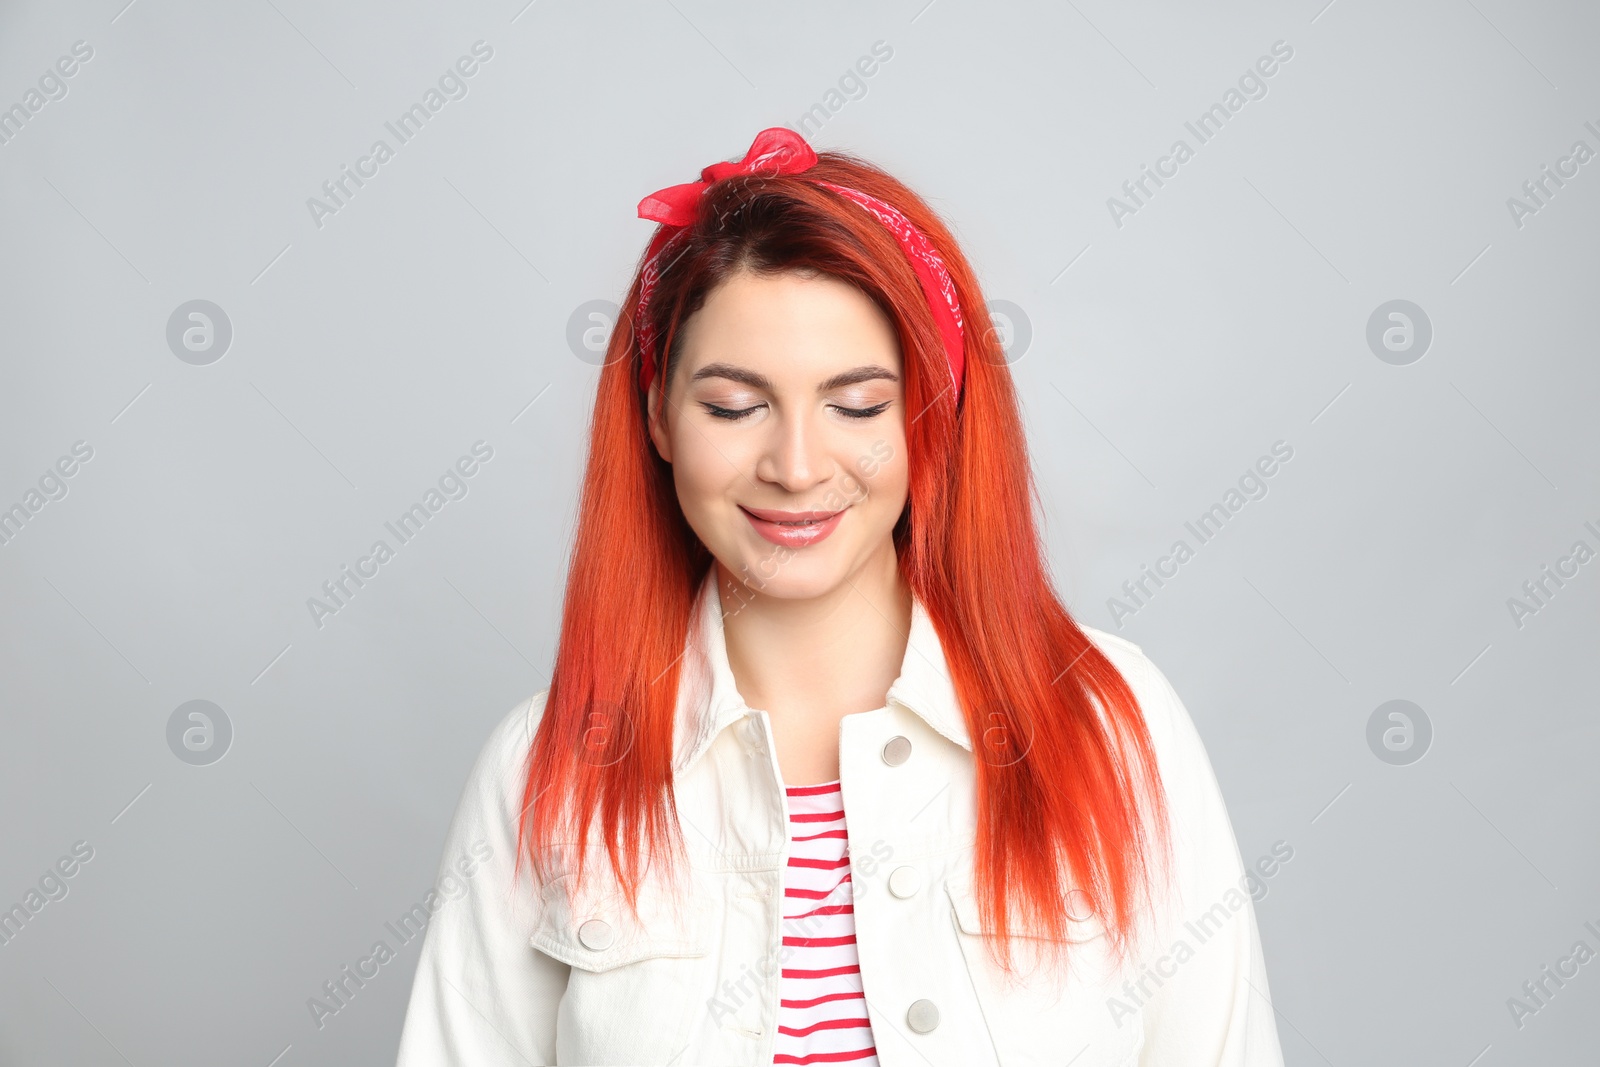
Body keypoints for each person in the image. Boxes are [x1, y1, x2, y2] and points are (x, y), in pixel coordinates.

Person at [395, 127, 1286, 1066]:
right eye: (734, 407)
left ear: (925, 413)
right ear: (658, 415)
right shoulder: (545, 770)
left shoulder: (1112, 722)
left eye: (856, 406)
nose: (796, 466)